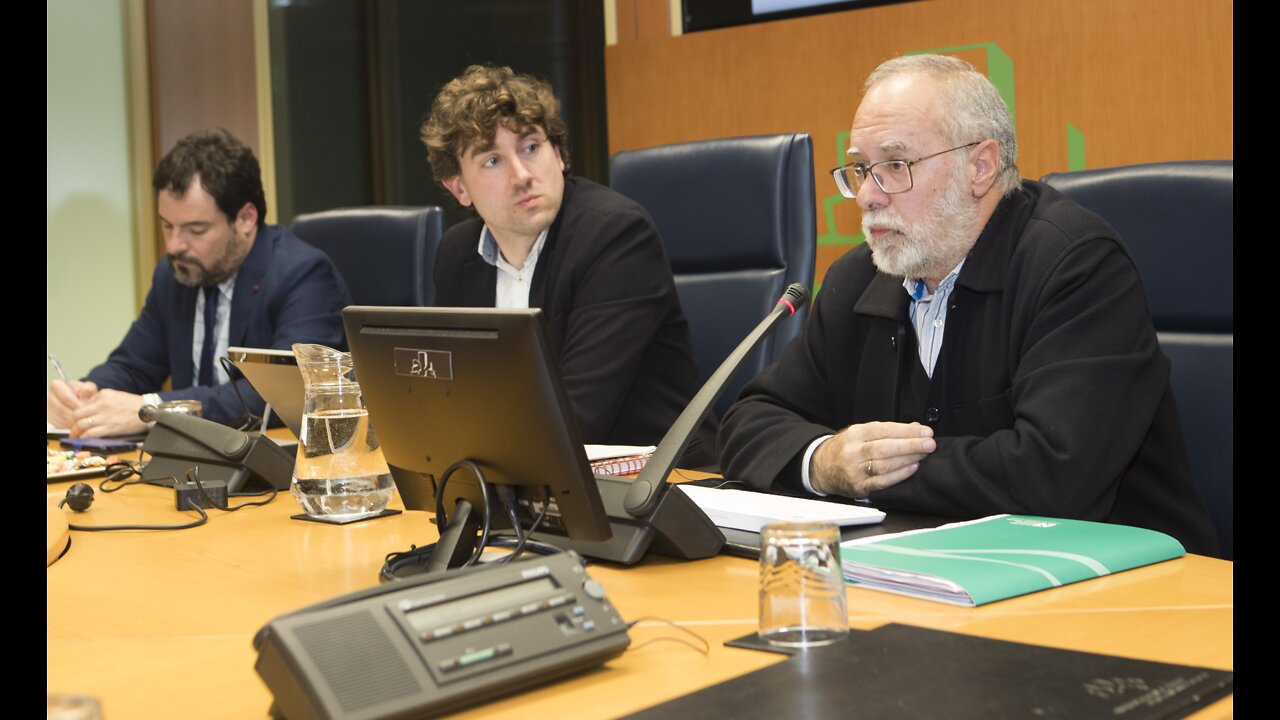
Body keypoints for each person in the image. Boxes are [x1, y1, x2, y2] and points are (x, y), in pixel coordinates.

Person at [718, 54, 1218, 554]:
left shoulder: (1076, 266)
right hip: (934, 572)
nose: (867, 195)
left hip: (1127, 584)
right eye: (859, 169)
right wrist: (826, 462)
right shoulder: (857, 279)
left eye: (895, 166)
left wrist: (874, 472)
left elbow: (1055, 477)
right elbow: (750, 421)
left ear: (980, 166)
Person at [421, 65, 714, 465]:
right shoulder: (457, 255)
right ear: (458, 187)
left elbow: (576, 416)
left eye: (531, 147)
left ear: (558, 154)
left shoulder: (616, 237)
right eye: (492, 160)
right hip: (526, 488)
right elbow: (448, 399)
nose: (522, 175)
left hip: (658, 489)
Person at [46, 129, 351, 438]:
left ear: (245, 219)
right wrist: (86, 394)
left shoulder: (302, 274)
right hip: (193, 465)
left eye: (196, 229)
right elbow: (132, 365)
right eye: (167, 226)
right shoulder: (175, 274)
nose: (175, 245)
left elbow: (281, 396)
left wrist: (152, 409)